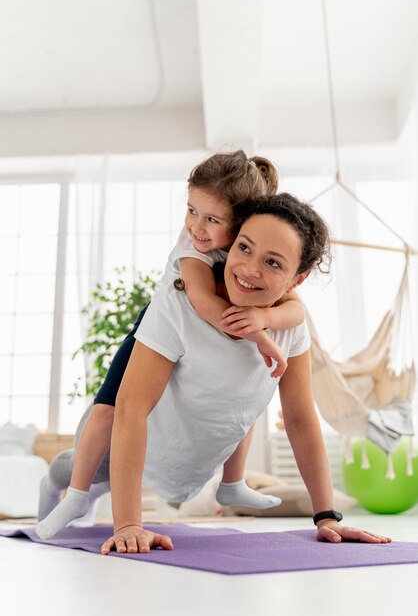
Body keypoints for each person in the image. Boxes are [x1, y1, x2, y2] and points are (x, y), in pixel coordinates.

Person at [40, 193, 391, 553]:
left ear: (297, 279)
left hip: (189, 466)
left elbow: (301, 420)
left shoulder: (290, 329)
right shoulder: (179, 303)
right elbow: (130, 407)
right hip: (124, 445)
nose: (250, 269)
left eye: (272, 262)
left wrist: (327, 517)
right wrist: (129, 524)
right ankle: (51, 485)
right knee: (74, 472)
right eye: (244, 248)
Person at [36, 152, 306, 540]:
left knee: (248, 402)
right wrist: (260, 334)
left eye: (211, 219)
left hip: (196, 346)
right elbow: (204, 303)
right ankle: (74, 493)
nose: (196, 226)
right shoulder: (192, 250)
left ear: (242, 223)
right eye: (191, 210)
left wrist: (267, 317)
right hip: (154, 332)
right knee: (105, 415)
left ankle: (233, 481)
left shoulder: (249, 252)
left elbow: (296, 308)